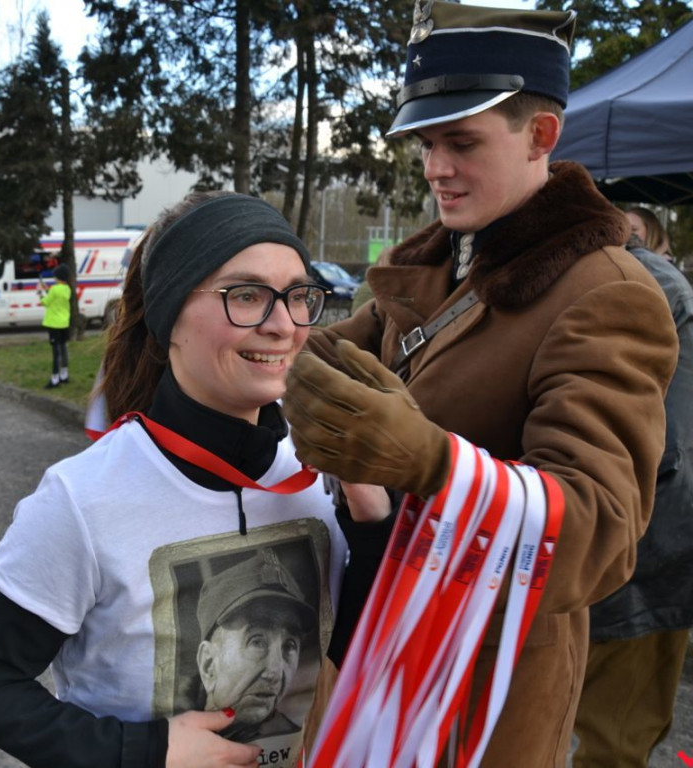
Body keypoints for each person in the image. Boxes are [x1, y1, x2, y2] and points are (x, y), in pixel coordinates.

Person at [281, 3, 679, 767]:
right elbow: (326, 354)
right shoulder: (444, 261)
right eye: (427, 143)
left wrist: (432, 464)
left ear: (541, 136)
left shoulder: (607, 293)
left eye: (461, 141)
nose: (435, 167)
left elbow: (601, 531)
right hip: (375, 643)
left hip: (481, 693)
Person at [0, 192, 349, 768]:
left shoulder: (327, 471)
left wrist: (375, 522)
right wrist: (143, 753)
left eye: (298, 296)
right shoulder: (82, 499)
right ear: (169, 314)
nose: (283, 326)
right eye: (248, 295)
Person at [572, 233, 693, 768]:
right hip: (643, 552)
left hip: (643, 556)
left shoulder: (632, 287)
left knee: (611, 744)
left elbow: (660, 454)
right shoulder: (636, 281)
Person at [194, 549, 315, 744]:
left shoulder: (304, 743)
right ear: (208, 664)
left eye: (289, 646)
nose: (275, 673)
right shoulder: (171, 738)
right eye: (257, 642)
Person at [38, 263, 72, 388]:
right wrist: (47, 289)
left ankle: (54, 379)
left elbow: (46, 302)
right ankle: (64, 375)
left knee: (55, 352)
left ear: (58, 277)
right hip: (64, 323)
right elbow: (55, 296)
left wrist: (40, 294)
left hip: (53, 324)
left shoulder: (54, 289)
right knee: (63, 349)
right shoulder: (67, 289)